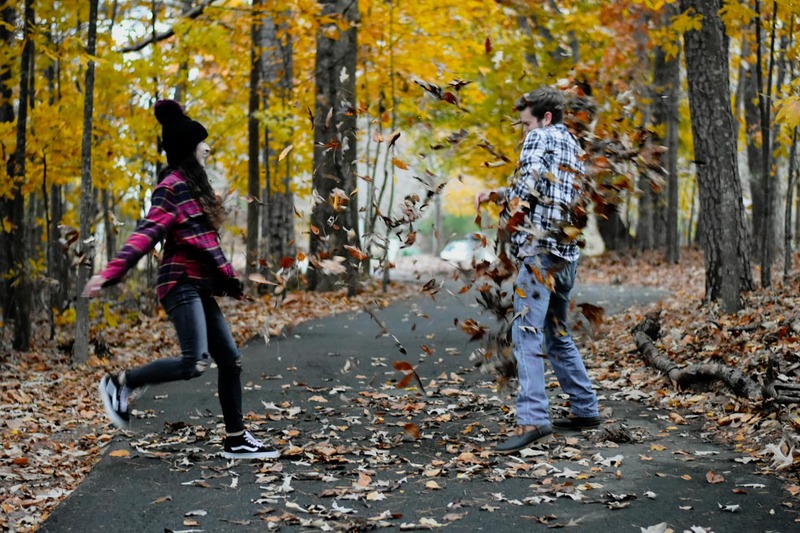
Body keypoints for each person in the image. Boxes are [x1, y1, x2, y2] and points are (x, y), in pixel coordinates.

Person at [82, 99, 278, 460]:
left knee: (230, 360)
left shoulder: (193, 188)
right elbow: (146, 233)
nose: (208, 148)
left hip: (198, 286)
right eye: (203, 143)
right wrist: (110, 273)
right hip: (180, 283)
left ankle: (236, 439)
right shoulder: (171, 187)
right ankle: (119, 383)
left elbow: (203, 242)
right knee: (194, 363)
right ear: (189, 147)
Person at [474, 86, 601, 453]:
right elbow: (549, 189)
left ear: (545, 118)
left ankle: (532, 419)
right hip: (566, 256)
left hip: (539, 253)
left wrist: (510, 214)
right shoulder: (572, 145)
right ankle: (585, 409)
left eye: (526, 123)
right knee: (556, 332)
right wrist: (497, 194)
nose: (524, 130)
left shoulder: (539, 138)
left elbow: (527, 186)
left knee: (526, 333)